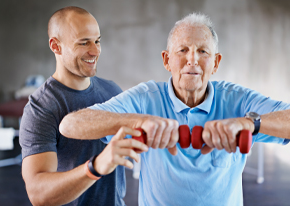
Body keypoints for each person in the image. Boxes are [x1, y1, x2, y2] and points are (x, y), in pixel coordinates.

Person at [59, 13, 290, 206]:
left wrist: (250, 123)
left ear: (216, 62)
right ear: (166, 60)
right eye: (182, 50)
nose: (192, 60)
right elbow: (70, 125)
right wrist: (139, 121)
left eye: (203, 51)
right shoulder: (145, 98)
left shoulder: (238, 100)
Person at [19, 6, 148, 206]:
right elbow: (38, 194)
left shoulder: (112, 91)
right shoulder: (41, 107)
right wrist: (96, 166)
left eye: (97, 41)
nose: (95, 50)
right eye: (84, 42)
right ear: (56, 46)